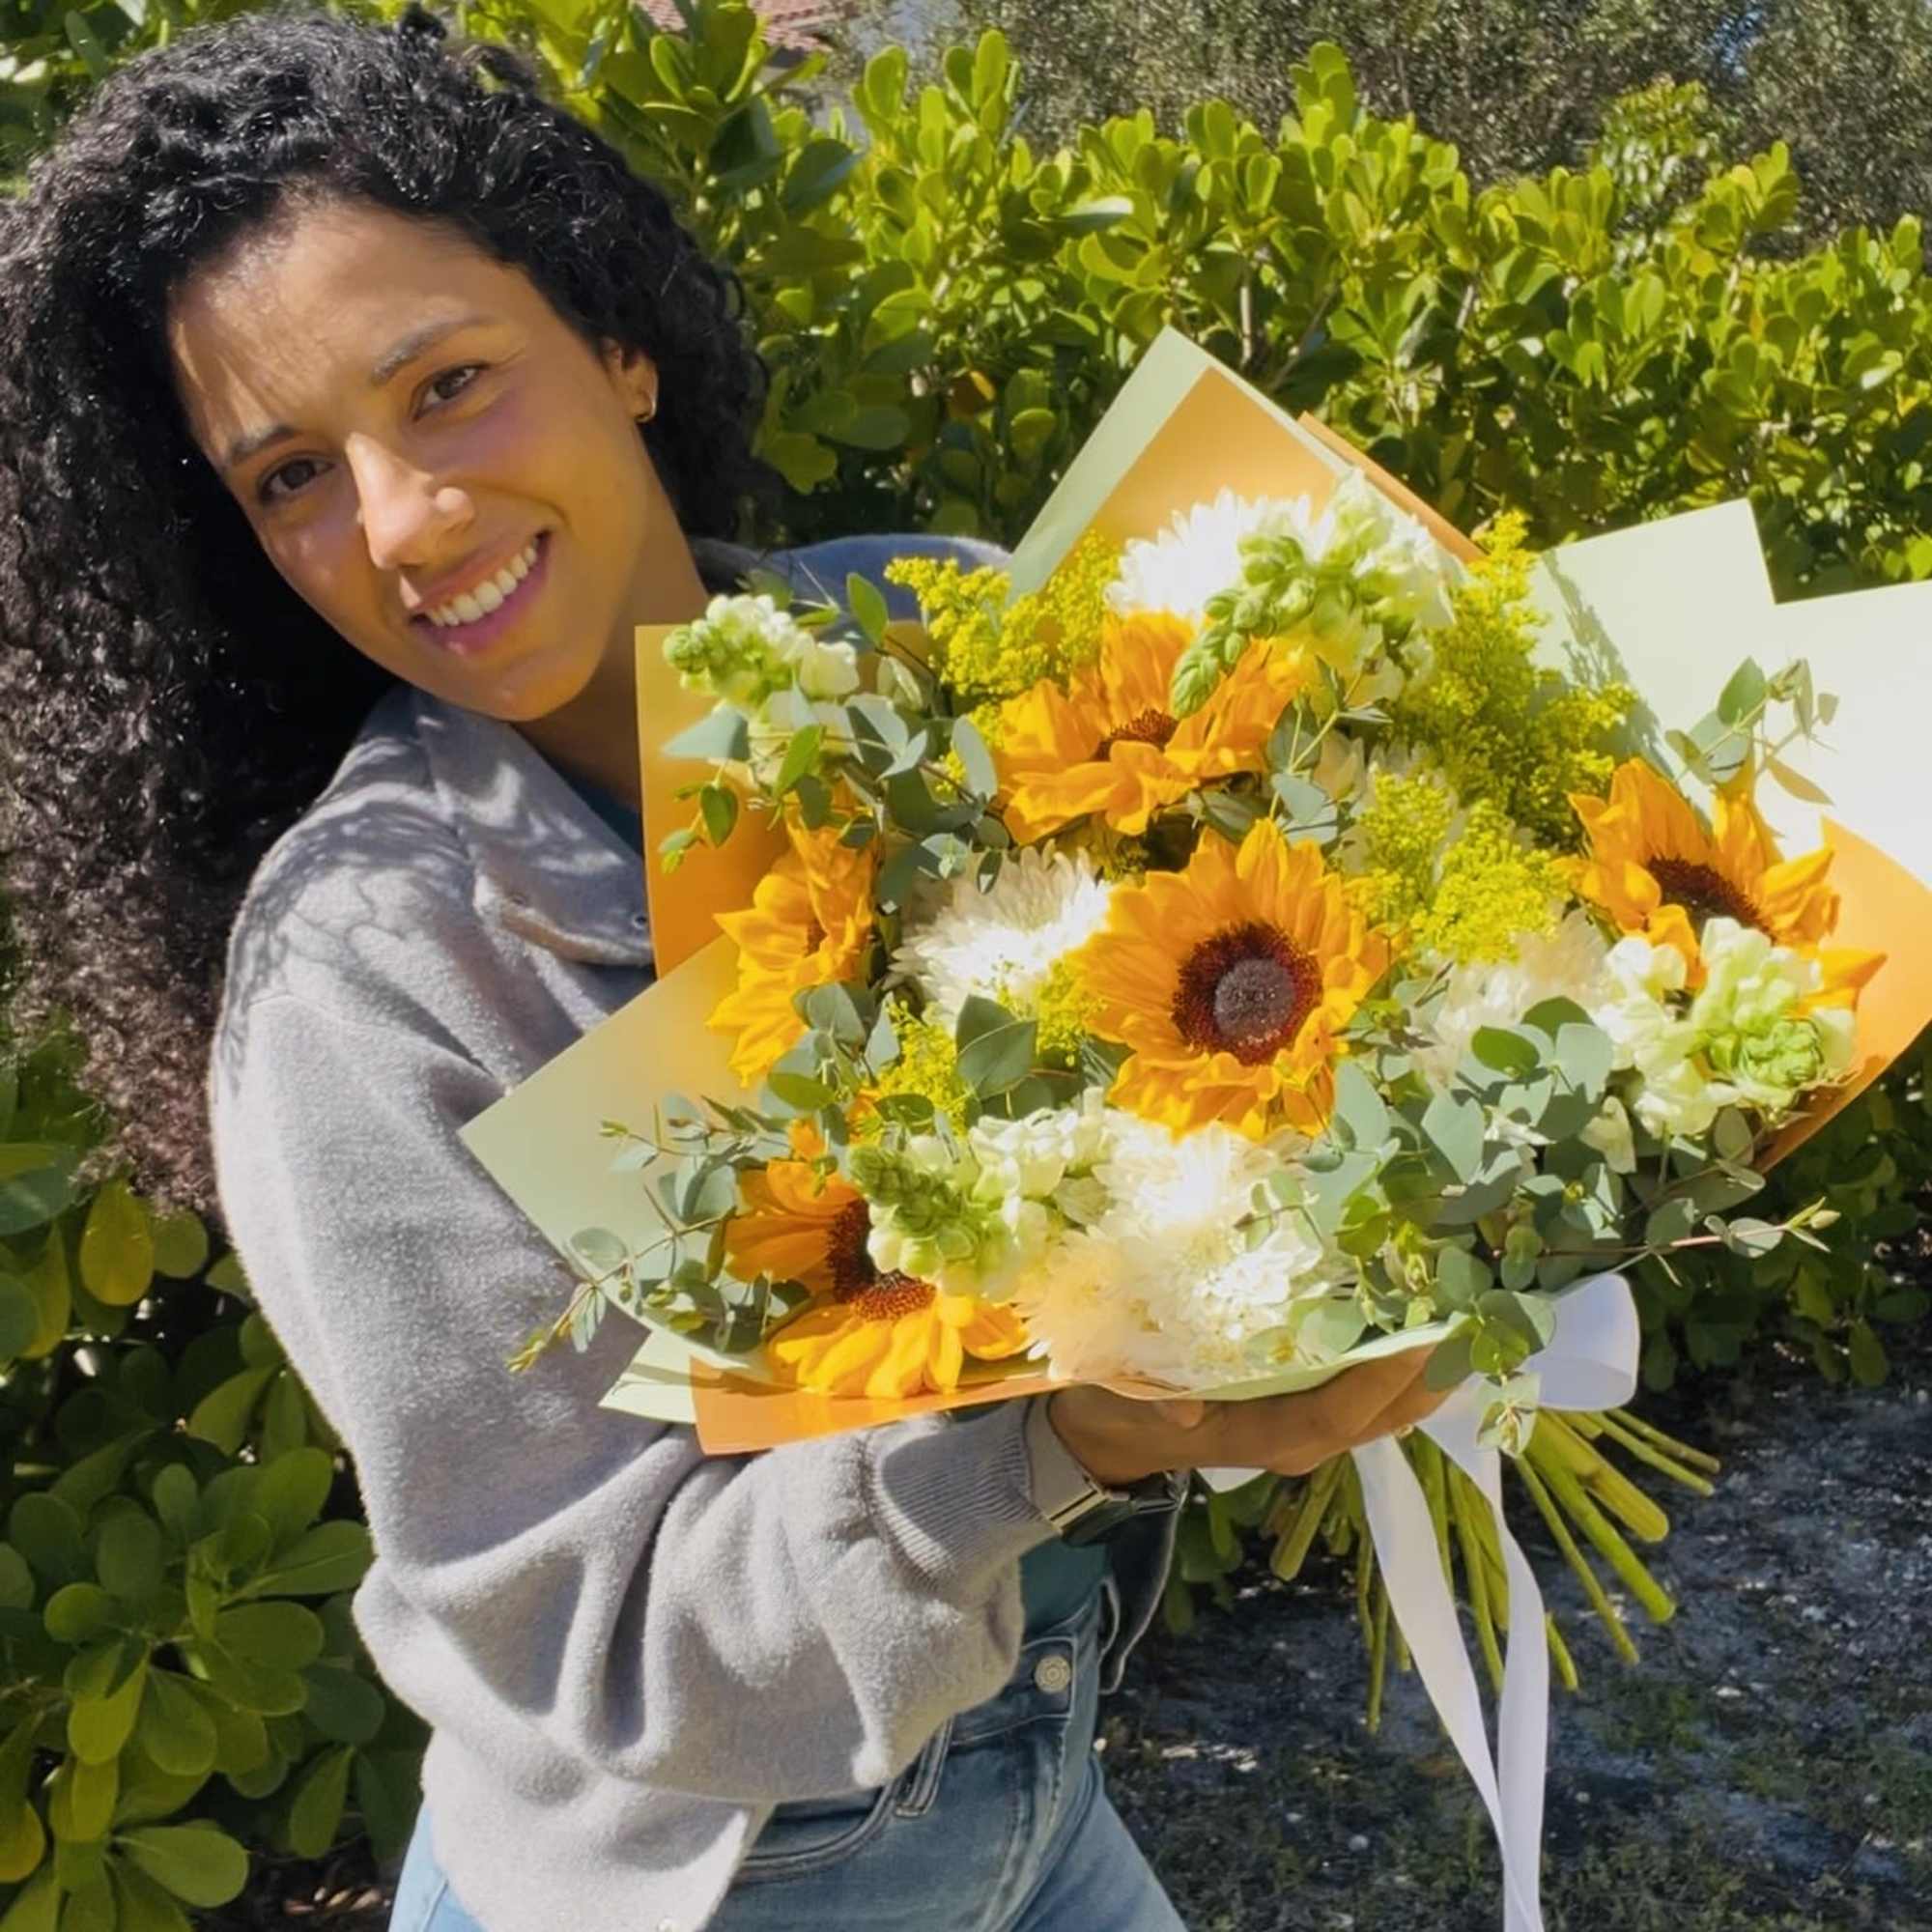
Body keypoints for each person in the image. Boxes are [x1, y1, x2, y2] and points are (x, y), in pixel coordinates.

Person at [0, 10, 1446, 1930]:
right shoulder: (364, 971)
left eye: (444, 386)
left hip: (1035, 1774)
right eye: (289, 480)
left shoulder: (937, 638)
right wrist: (1070, 1436)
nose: (402, 524)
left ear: (618, 338)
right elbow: (593, 1634)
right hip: (708, 1880)